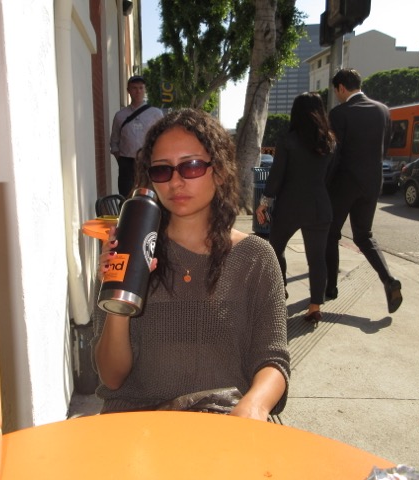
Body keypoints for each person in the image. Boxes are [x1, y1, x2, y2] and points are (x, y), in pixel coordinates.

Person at [93, 108, 290, 421]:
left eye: (192, 166)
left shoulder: (256, 258)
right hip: (138, 426)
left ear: (220, 171)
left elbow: (273, 360)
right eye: (162, 170)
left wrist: (254, 405)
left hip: (222, 423)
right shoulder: (130, 251)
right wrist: (118, 292)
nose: (175, 181)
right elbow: (112, 377)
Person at [324, 68, 403, 313]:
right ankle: (389, 280)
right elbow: (384, 147)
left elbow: (334, 154)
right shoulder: (383, 110)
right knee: (364, 236)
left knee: (331, 234)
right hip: (372, 182)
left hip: (344, 183)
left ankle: (331, 288)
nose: (337, 96)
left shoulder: (339, 113)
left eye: (336, 91)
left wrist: (324, 183)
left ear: (341, 88)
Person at [255, 92, 335, 325]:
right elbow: (330, 176)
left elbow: (276, 176)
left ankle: (281, 291)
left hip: (289, 206)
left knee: (275, 249)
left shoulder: (288, 140)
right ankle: (315, 306)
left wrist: (264, 203)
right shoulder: (330, 141)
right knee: (317, 258)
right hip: (319, 205)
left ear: (296, 113)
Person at [109, 75, 164, 197]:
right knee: (126, 195)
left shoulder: (156, 113)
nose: (138, 91)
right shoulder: (120, 115)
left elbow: (162, 138)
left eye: (141, 88)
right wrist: (120, 159)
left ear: (145, 90)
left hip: (148, 160)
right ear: (128, 90)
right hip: (126, 163)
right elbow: (114, 141)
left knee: (149, 194)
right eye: (134, 88)